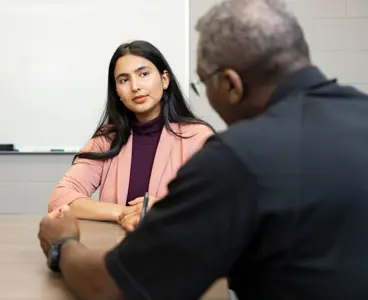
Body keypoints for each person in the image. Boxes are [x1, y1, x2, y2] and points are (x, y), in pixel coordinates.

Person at [38, 0, 368, 299]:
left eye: (203, 83)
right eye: (124, 79)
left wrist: (63, 244)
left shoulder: (234, 157)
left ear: (230, 84)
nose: (136, 85)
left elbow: (110, 288)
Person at [47, 40, 214, 227]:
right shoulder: (107, 138)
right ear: (117, 91)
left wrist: (165, 209)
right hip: (114, 249)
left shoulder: (198, 137)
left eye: (143, 74)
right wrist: (125, 213)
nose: (135, 86)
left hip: (177, 251)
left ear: (165, 79)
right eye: (124, 80)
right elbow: (60, 197)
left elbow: (219, 206)